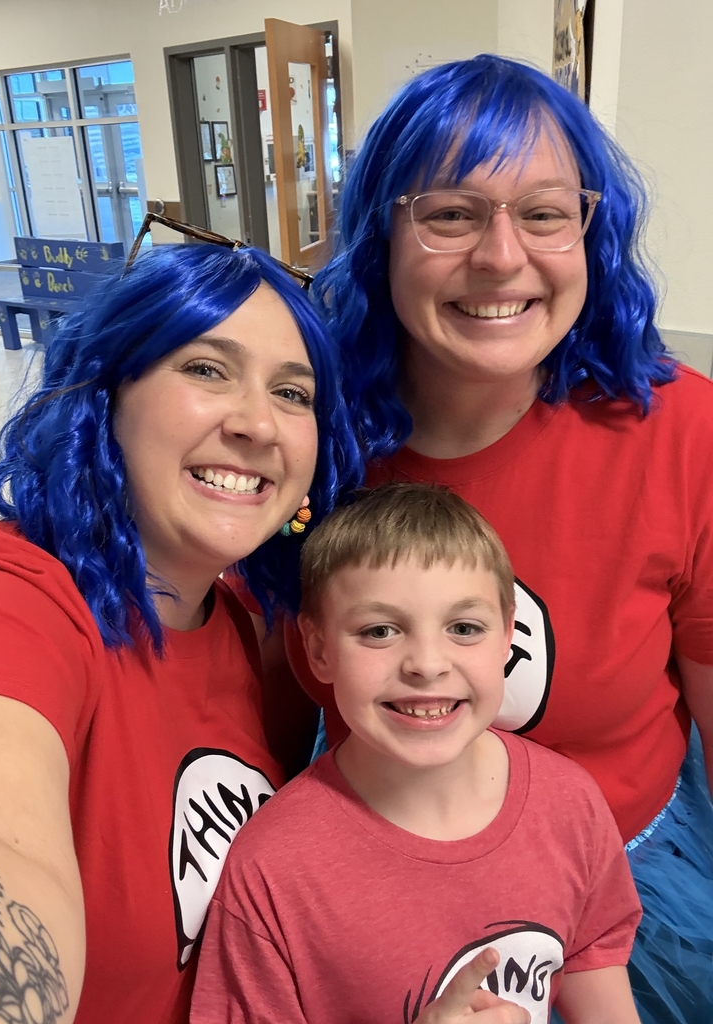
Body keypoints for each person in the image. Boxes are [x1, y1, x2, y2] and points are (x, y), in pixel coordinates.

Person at [267, 54, 713, 1022]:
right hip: (370, 893)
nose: (503, 257)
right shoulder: (311, 443)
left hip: (628, 914)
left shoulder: (683, 436)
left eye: (545, 213)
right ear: (382, 235)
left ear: (592, 231)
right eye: (452, 213)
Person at [0, 243, 361, 1024]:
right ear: (106, 396)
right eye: (206, 369)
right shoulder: (12, 599)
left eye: (293, 392)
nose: (257, 423)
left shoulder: (248, 625)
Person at [191, 483, 643, 1024]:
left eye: (464, 628)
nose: (427, 664)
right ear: (318, 650)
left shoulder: (569, 801)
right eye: (380, 630)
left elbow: (593, 952)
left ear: (508, 639)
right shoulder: (272, 869)